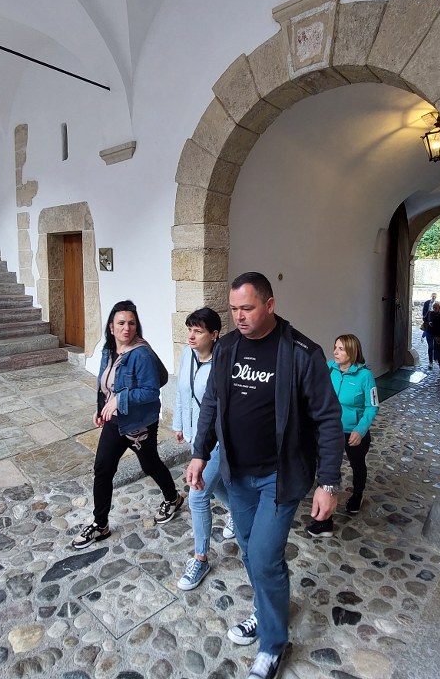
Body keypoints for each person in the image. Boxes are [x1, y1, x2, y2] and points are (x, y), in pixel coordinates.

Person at [186, 272, 344, 679]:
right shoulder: (226, 348)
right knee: (248, 547)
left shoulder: (301, 353)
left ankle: (273, 645)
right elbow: (212, 403)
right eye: (234, 309)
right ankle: (266, 609)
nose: (239, 316)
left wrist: (328, 482)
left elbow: (328, 419)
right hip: (237, 473)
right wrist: (199, 453)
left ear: (269, 305)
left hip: (280, 475)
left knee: (263, 556)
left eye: (248, 308)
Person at [72, 300, 184, 550]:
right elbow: (104, 382)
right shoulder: (108, 349)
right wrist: (101, 407)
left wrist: (119, 400)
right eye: (121, 323)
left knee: (150, 463)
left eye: (131, 323)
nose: (127, 328)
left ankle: (173, 498)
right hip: (115, 421)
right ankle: (100, 524)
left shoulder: (141, 354)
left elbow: (151, 392)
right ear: (111, 327)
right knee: (103, 469)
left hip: (139, 424)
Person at [172, 307, 235, 591]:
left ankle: (200, 558)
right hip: (196, 437)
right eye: (190, 330)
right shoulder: (188, 354)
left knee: (197, 495)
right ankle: (240, 511)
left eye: (198, 331)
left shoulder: (225, 363)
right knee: (214, 484)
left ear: (214, 334)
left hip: (218, 440)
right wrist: (179, 424)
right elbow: (181, 391)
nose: (191, 336)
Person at [307, 334, 379, 538]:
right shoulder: (329, 368)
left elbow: (372, 406)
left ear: (352, 352)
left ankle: (357, 493)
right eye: (335, 347)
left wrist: (360, 430)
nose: (335, 352)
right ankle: (324, 520)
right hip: (329, 430)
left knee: (357, 464)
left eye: (341, 349)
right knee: (327, 469)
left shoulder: (365, 376)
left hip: (353, 431)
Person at [423, 301, 440, 369]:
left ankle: (435, 358)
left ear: (439, 308)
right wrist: (428, 323)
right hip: (429, 332)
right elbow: (424, 319)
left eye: (436, 307)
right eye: (434, 307)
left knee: (437, 347)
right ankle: (430, 361)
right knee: (430, 347)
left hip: (437, 333)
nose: (435, 309)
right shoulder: (430, 313)